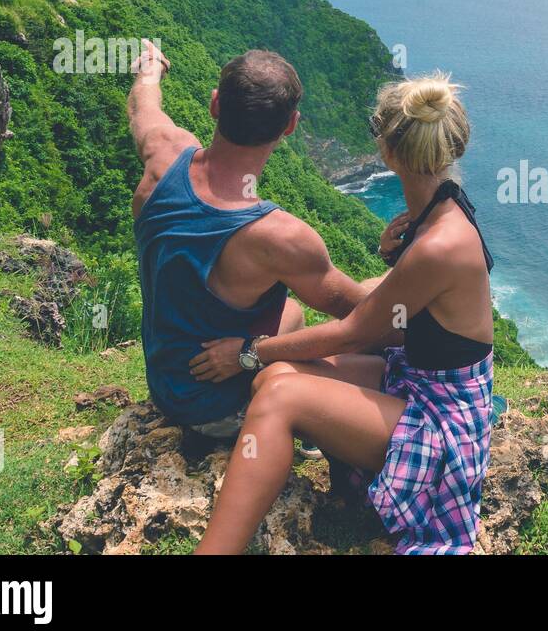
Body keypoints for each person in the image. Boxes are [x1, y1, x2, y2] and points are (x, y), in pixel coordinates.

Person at [190, 72, 495, 555]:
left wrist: (248, 351)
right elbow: (411, 305)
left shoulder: (438, 243)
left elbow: (355, 331)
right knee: (278, 376)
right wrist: (394, 256)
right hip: (415, 382)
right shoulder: (440, 209)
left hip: (441, 426)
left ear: (389, 152)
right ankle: (343, 495)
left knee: (280, 392)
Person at [127, 40, 390, 441]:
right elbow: (365, 320)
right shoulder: (279, 236)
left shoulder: (163, 156)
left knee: (291, 312)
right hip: (217, 411)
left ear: (215, 104)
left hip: (167, 385)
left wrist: (150, 69)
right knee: (386, 368)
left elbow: (143, 108)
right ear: (290, 125)